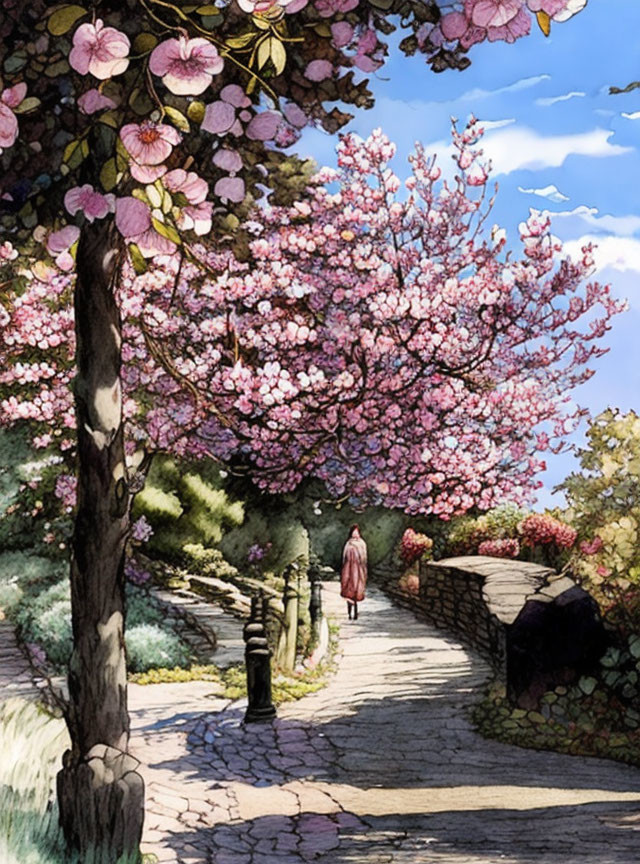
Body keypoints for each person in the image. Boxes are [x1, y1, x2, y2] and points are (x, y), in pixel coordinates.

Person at [340, 524, 368, 620]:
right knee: (348, 590)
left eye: (357, 532)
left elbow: (364, 558)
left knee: (357, 590)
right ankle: (349, 613)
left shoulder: (362, 543)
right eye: (354, 532)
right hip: (348, 570)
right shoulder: (348, 544)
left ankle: (355, 612)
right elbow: (344, 558)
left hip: (358, 570)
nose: (355, 534)